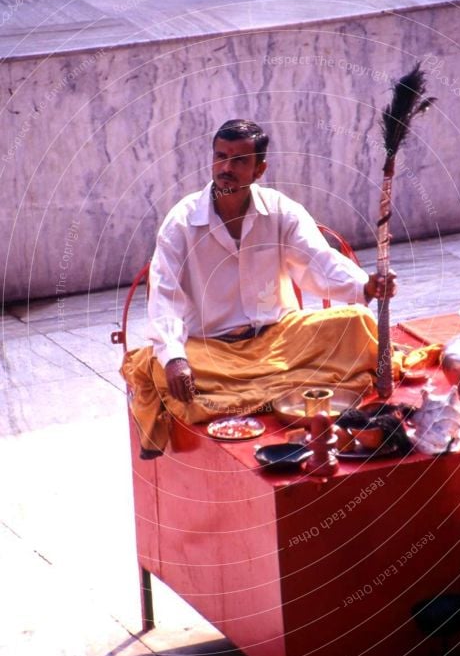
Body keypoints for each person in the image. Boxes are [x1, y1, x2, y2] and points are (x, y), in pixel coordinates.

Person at [122, 119, 396, 455]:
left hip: (278, 340)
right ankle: (283, 388)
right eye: (220, 157)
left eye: (239, 161)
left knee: (357, 321)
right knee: (158, 365)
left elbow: (317, 263)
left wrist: (366, 286)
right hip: (212, 351)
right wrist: (175, 357)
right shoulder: (180, 221)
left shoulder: (280, 210)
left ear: (259, 169)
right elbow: (165, 296)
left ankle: (252, 392)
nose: (226, 168)